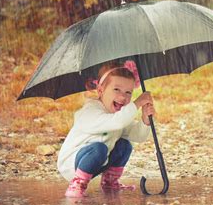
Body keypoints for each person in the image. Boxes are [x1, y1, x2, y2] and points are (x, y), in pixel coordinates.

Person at [57, 60, 154, 197]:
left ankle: (109, 182)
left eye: (128, 92)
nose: (123, 97)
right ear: (101, 90)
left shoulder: (117, 116)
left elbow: (138, 136)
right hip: (73, 164)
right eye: (116, 89)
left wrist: (145, 120)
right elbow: (117, 122)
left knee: (125, 145)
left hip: (99, 161)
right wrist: (137, 103)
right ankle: (77, 184)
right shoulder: (90, 112)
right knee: (99, 148)